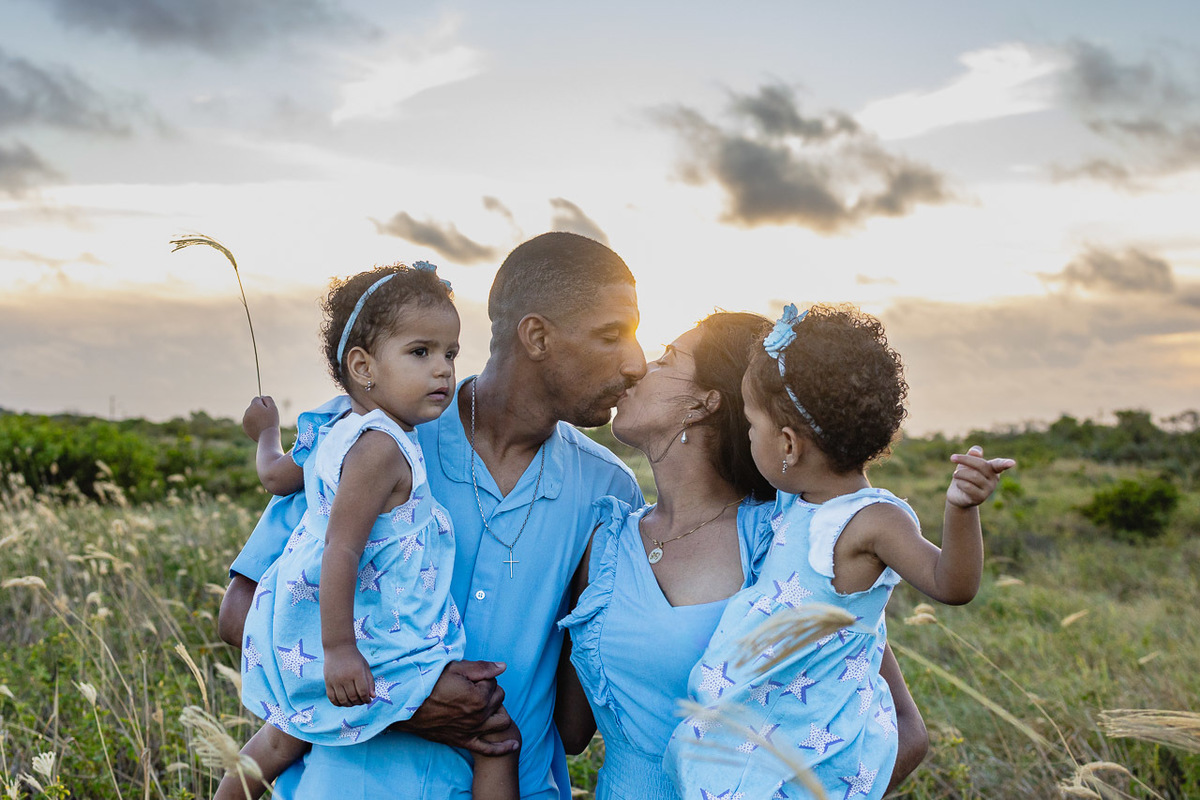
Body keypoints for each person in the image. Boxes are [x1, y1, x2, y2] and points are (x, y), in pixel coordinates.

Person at [217, 232, 648, 800]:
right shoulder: (369, 436)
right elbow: (240, 616)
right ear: (537, 336)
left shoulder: (610, 490)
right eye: (612, 336)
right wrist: (400, 701)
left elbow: (572, 729)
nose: (636, 362)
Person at [556, 312, 929, 800]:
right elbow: (570, 731)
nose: (636, 368)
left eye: (667, 358)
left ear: (705, 402)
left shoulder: (785, 540)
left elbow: (907, 730)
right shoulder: (603, 543)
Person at [664, 303, 1014, 799]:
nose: (746, 435)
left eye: (750, 425)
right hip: (758, 727)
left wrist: (960, 509)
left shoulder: (872, 519)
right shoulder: (798, 499)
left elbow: (952, 584)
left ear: (788, 444)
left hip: (810, 740)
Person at [217, 263, 519, 800]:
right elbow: (342, 548)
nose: (444, 371)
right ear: (363, 366)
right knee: (496, 731)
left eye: (450, 354)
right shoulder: (382, 447)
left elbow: (273, 475)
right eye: (420, 352)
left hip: (313, 621)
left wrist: (265, 432)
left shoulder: (330, 425)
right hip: (375, 631)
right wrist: (340, 651)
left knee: (285, 733)